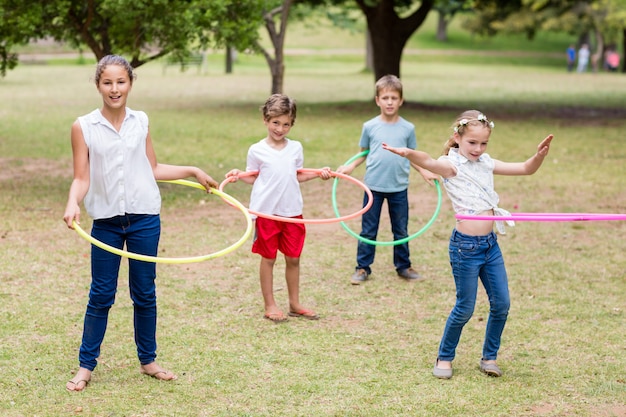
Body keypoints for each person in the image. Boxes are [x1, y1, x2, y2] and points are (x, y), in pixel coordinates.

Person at [63, 54, 219, 391]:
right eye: (108, 82)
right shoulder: (83, 126)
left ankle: (148, 360)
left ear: (130, 83)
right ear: (98, 85)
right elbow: (81, 177)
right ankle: (85, 366)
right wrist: (72, 201)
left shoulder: (141, 121)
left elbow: (153, 168)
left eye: (121, 82)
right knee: (101, 295)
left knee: (144, 293)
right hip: (105, 222)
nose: (114, 89)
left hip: (145, 218)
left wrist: (193, 170)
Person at [382, 110, 553, 379]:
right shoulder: (451, 165)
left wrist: (538, 156)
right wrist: (408, 153)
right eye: (472, 142)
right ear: (457, 137)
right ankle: (445, 356)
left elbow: (524, 169)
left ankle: (489, 357)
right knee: (465, 307)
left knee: (502, 304)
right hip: (465, 248)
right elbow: (427, 161)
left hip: (490, 245)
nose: (478, 148)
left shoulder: (485, 162)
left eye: (483, 143)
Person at [225, 94, 331, 323]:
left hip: (292, 212)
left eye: (286, 124)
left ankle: (294, 303)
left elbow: (298, 175)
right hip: (266, 212)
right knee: (268, 258)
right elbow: (253, 177)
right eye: (275, 122)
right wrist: (237, 176)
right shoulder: (257, 150)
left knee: (294, 258)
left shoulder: (295, 148)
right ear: (265, 120)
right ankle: (270, 304)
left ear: (292, 124)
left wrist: (318, 174)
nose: (280, 128)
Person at [336, 74, 438, 285]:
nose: (389, 102)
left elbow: (411, 155)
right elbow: (363, 153)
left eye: (394, 98)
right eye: (385, 98)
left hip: (399, 187)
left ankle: (403, 266)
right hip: (372, 186)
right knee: (368, 230)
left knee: (400, 229)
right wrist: (350, 166)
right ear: (377, 100)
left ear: (401, 100)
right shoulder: (370, 126)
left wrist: (424, 171)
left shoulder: (407, 128)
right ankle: (363, 268)